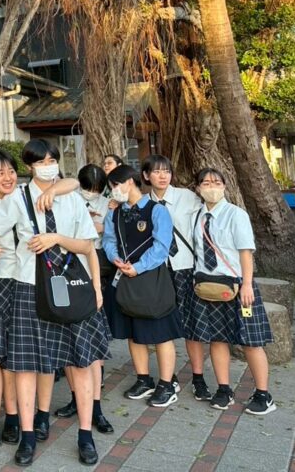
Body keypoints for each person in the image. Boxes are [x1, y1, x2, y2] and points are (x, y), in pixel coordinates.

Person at [0, 140, 109, 467]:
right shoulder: (17, 198)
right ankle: (28, 435)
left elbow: (87, 246)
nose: (47, 166)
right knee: (26, 365)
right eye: (40, 162)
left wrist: (58, 240)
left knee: (81, 363)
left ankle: (85, 435)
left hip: (72, 287)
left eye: (52, 160)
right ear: (29, 166)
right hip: (29, 287)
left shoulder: (72, 198)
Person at [184, 168, 276, 415]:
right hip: (207, 286)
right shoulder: (197, 216)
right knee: (217, 338)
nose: (211, 186)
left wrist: (247, 284)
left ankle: (263, 394)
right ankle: (224, 389)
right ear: (198, 188)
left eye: (216, 182)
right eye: (205, 183)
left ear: (225, 186)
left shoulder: (236, 214)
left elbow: (246, 252)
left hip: (237, 285)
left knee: (251, 341)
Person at [102, 165, 183, 408]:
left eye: (115, 185)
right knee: (133, 332)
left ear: (130, 181)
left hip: (152, 279)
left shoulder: (156, 210)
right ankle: (143, 379)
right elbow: (109, 240)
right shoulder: (115, 213)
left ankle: (167, 384)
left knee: (161, 333)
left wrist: (139, 267)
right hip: (124, 280)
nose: (113, 191)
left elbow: (162, 246)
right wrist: (115, 258)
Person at [141, 155, 208, 399]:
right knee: (161, 324)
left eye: (167, 171)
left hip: (185, 266)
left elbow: (204, 229)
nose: (163, 176)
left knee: (192, 325)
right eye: (157, 171)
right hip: (157, 270)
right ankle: (169, 377)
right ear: (146, 175)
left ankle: (198, 378)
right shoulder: (141, 203)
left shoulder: (187, 197)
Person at [54, 164, 113, 431]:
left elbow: (90, 247)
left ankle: (96, 407)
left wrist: (96, 288)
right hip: (57, 280)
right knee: (68, 345)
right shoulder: (44, 203)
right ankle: (76, 398)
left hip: (86, 276)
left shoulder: (78, 202)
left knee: (93, 348)